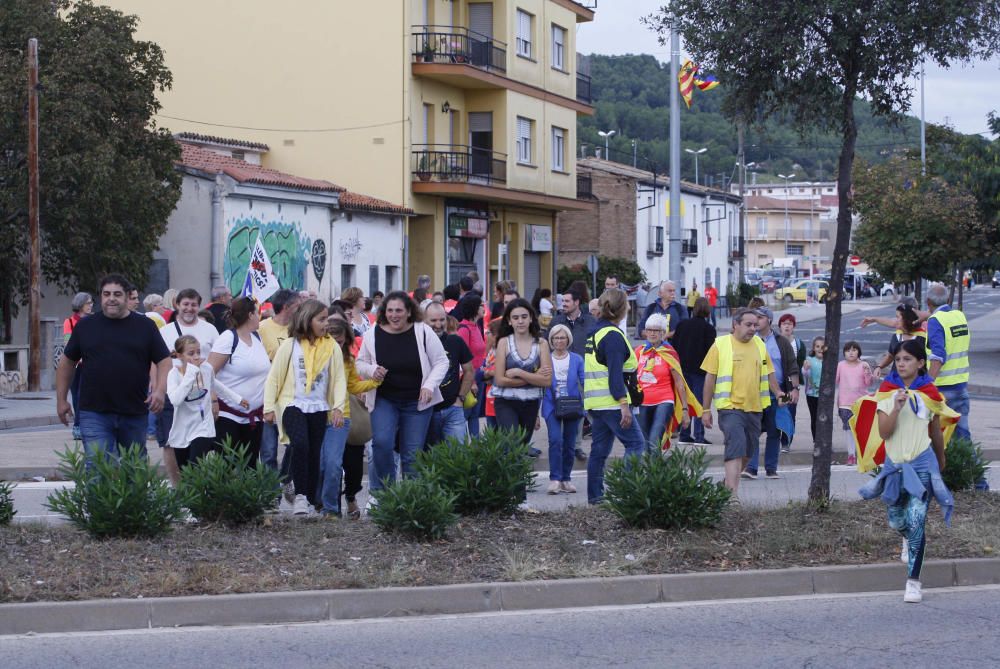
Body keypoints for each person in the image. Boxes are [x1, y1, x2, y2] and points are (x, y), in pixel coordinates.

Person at [858, 339, 956, 604]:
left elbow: (934, 429)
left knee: (917, 523)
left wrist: (941, 457)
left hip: (923, 465)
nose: (901, 364)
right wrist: (897, 406)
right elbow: (884, 432)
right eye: (898, 359)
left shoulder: (930, 393)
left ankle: (913, 582)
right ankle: (906, 539)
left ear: (920, 363)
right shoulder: (887, 391)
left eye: (907, 359)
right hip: (895, 467)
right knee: (897, 521)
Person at [56, 274, 172, 464]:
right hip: (94, 412)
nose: (111, 298)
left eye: (117, 294)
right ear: (100, 297)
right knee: (98, 467)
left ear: (127, 297)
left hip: (134, 411)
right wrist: (61, 400)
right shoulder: (86, 326)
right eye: (106, 294)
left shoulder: (145, 326)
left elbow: (165, 361)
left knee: (134, 470)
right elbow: (67, 363)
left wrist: (159, 390)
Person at [358, 291, 449, 493]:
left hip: (416, 402)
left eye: (399, 310)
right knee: (381, 444)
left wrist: (429, 385)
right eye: (390, 310)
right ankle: (384, 494)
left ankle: (411, 497)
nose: (394, 315)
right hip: (384, 399)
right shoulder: (373, 333)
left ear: (409, 312)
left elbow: (442, 362)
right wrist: (372, 370)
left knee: (411, 453)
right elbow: (360, 362)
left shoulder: (423, 331)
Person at [264, 299, 348, 515]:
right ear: (307, 320)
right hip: (293, 404)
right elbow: (274, 378)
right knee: (300, 444)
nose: (326, 324)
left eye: (327, 319)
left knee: (313, 453)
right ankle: (300, 496)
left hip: (319, 407)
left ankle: (309, 497)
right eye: (321, 319)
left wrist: (338, 406)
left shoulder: (332, 348)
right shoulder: (290, 345)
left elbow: (338, 379)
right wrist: (268, 407)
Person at [700, 308, 786, 493]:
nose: (753, 328)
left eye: (755, 325)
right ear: (735, 325)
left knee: (748, 451)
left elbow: (769, 372)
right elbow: (710, 378)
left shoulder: (759, 345)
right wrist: (705, 410)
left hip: (755, 408)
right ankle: (732, 495)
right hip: (730, 407)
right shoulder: (720, 345)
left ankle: (726, 486)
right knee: (736, 445)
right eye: (748, 325)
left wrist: (778, 392)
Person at [584, 289, 647, 504]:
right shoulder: (613, 336)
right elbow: (614, 374)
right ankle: (628, 493)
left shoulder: (595, 332)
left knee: (599, 451)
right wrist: (623, 405)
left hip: (595, 402)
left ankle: (595, 497)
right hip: (612, 402)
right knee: (636, 444)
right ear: (623, 309)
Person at [156, 288, 220, 485]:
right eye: (185, 304)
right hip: (173, 392)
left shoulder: (209, 330)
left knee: (200, 443)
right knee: (171, 442)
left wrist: (214, 397)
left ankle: (196, 489)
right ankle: (178, 489)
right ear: (177, 305)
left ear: (198, 306)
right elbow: (155, 363)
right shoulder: (165, 332)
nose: (189, 309)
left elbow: (214, 367)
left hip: (200, 396)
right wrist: (156, 390)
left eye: (193, 304)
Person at [167, 335, 247, 482]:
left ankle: (202, 501)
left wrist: (237, 399)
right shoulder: (174, 374)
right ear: (179, 356)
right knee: (185, 472)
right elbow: (176, 400)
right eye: (191, 353)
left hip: (203, 426)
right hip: (182, 428)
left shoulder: (206, 369)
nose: (197, 357)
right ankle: (192, 503)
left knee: (194, 467)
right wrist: (191, 373)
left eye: (198, 352)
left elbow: (215, 384)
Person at [327, 320, 383, 518]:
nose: (336, 345)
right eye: (332, 340)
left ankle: (350, 497)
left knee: (353, 467)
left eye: (340, 341)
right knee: (331, 465)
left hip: (346, 418)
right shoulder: (315, 357)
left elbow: (353, 386)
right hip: (325, 418)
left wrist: (373, 383)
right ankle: (331, 506)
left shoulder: (348, 360)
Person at [206, 297, 271, 466]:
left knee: (250, 467)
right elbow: (207, 373)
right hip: (229, 415)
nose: (260, 316)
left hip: (254, 416)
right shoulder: (228, 339)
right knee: (227, 466)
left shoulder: (257, 337)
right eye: (258, 313)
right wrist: (213, 400)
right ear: (250, 315)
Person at [491, 299, 552, 460]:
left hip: (531, 402)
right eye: (516, 317)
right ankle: (512, 485)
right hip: (506, 401)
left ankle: (521, 485)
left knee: (523, 446)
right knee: (512, 444)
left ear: (531, 318)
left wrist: (519, 372)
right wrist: (534, 377)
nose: (520, 321)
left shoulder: (542, 343)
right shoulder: (504, 342)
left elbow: (547, 381)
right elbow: (500, 380)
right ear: (509, 321)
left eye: (524, 316)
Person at [743, 307, 798, 479]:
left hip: (777, 392)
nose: (756, 321)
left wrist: (794, 389)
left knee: (775, 431)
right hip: (754, 392)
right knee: (754, 430)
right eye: (754, 318)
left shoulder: (781, 342)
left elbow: (792, 367)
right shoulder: (748, 340)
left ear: (769, 320)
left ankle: (771, 468)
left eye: (760, 317)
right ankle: (751, 468)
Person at [257, 289, 304, 470]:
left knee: (295, 444)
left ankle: (286, 478)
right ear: (286, 307)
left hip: (293, 395)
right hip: (268, 394)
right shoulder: (262, 328)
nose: (301, 310)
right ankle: (272, 495)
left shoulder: (300, 328)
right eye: (298, 306)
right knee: (268, 451)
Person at [924, 282, 972, 442]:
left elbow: (938, 357)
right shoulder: (959, 316)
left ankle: (939, 467)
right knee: (963, 434)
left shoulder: (935, 321)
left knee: (939, 437)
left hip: (943, 389)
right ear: (948, 299)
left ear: (928, 302)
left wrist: (926, 385)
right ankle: (971, 466)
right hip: (961, 385)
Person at [634, 313, 689, 450]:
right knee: (643, 442)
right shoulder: (639, 352)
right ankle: (649, 471)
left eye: (656, 330)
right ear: (645, 332)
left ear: (663, 333)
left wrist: (685, 409)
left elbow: (679, 382)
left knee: (654, 440)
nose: (652, 333)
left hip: (664, 400)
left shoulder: (669, 353)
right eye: (649, 330)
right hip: (642, 401)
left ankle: (654, 470)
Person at [541, 324, 584, 494]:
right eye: (556, 338)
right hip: (551, 404)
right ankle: (555, 478)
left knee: (570, 444)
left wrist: (587, 405)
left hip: (572, 404)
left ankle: (566, 479)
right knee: (555, 440)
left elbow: (584, 381)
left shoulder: (577, 359)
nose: (559, 341)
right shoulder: (545, 359)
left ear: (568, 339)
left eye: (562, 337)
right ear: (551, 341)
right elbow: (539, 384)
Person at [424, 302, 474, 447]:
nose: (438, 324)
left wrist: (460, 399)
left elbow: (469, 371)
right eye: (433, 320)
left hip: (453, 409)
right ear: (425, 321)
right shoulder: (418, 343)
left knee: (457, 458)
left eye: (442, 320)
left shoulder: (455, 341)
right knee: (428, 458)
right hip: (426, 412)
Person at [671, 297, 716, 445]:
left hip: (682, 369)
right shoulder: (709, 329)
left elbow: (675, 346)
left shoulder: (682, 325)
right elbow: (711, 352)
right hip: (700, 371)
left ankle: (684, 434)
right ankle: (699, 436)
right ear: (707, 311)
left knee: (686, 401)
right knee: (699, 402)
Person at [836, 341, 873, 466]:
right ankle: (851, 454)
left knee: (861, 430)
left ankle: (862, 454)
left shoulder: (864, 365)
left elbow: (868, 383)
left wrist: (868, 372)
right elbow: (834, 380)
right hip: (844, 403)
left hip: (861, 402)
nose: (851, 353)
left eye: (854, 350)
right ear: (844, 353)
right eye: (848, 350)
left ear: (859, 352)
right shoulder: (841, 365)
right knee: (849, 429)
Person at [62, 292, 93, 441]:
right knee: (76, 396)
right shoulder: (69, 321)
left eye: (91, 302)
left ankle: (81, 425)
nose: (91, 305)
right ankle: (78, 425)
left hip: (90, 364)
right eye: (88, 303)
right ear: (80, 304)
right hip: (76, 365)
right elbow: (68, 344)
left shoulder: (94, 321)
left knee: (84, 395)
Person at [454, 294, 486, 436]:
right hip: (468, 379)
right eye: (481, 305)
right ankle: (461, 449)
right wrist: (471, 382)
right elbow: (461, 359)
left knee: (474, 415)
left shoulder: (476, 326)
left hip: (480, 376)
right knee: (464, 415)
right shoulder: (464, 329)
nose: (484, 307)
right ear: (474, 308)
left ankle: (475, 448)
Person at [777, 313, 806, 453]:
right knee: (779, 410)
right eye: (784, 323)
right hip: (779, 383)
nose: (787, 326)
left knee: (790, 412)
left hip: (791, 384)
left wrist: (797, 385)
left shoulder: (798, 344)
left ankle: (786, 441)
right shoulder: (775, 342)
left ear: (793, 326)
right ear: (780, 326)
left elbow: (799, 365)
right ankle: (777, 439)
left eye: (790, 323)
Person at [873, 303, 926, 379]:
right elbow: (890, 356)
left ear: (906, 319)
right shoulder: (897, 335)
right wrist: (879, 367)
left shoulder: (922, 338)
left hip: (916, 382)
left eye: (898, 317)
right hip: (896, 380)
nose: (895, 320)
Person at [801, 336, 826, 441]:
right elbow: (805, 373)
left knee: (825, 419)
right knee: (815, 418)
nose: (820, 348)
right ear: (814, 348)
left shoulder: (829, 361)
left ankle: (825, 440)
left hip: (826, 395)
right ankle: (816, 441)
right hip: (812, 394)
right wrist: (805, 369)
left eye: (822, 346)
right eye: (817, 346)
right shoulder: (809, 360)